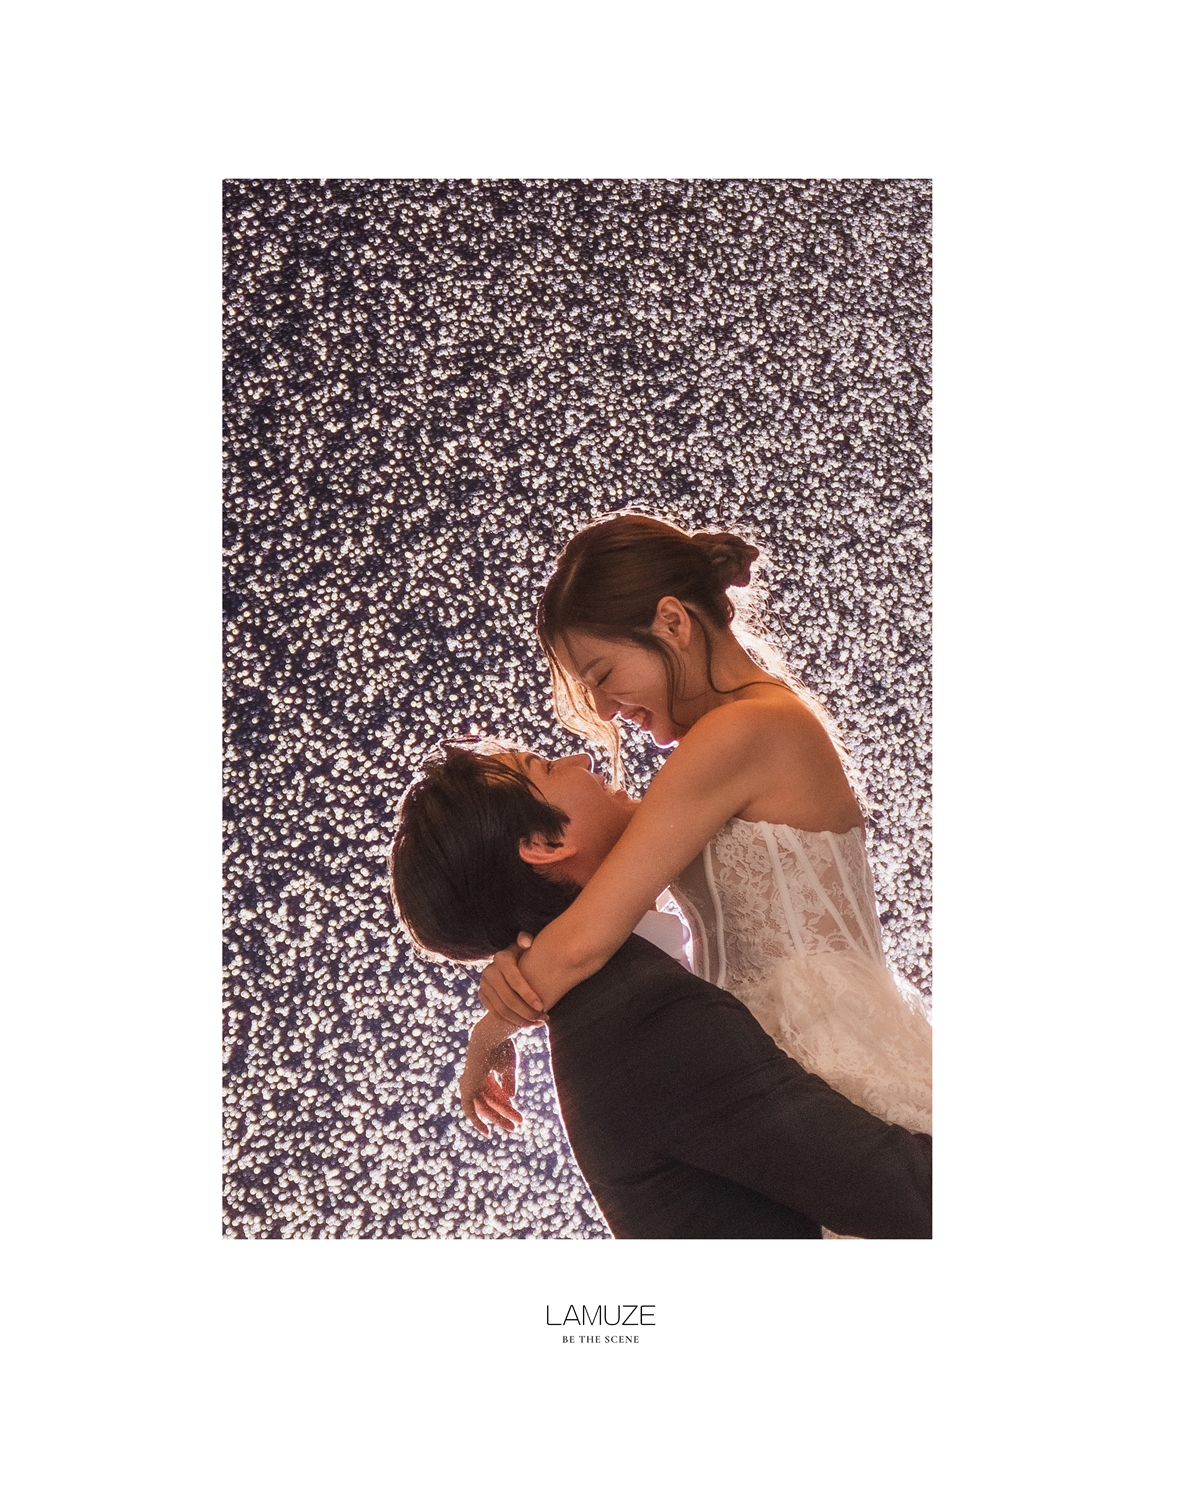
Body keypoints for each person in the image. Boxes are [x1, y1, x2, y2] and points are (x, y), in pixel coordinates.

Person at [471, 514, 932, 1139]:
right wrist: (520, 954)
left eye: (603, 676)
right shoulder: (739, 732)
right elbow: (601, 901)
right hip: (783, 1055)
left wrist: (490, 1032)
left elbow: (586, 939)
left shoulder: (741, 732)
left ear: (673, 622)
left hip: (827, 1056)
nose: (603, 709)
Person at [390, 740, 932, 1238]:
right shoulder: (646, 1020)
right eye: (548, 768)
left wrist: (494, 1024)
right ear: (545, 844)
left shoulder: (609, 1006)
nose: (582, 760)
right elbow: (909, 1196)